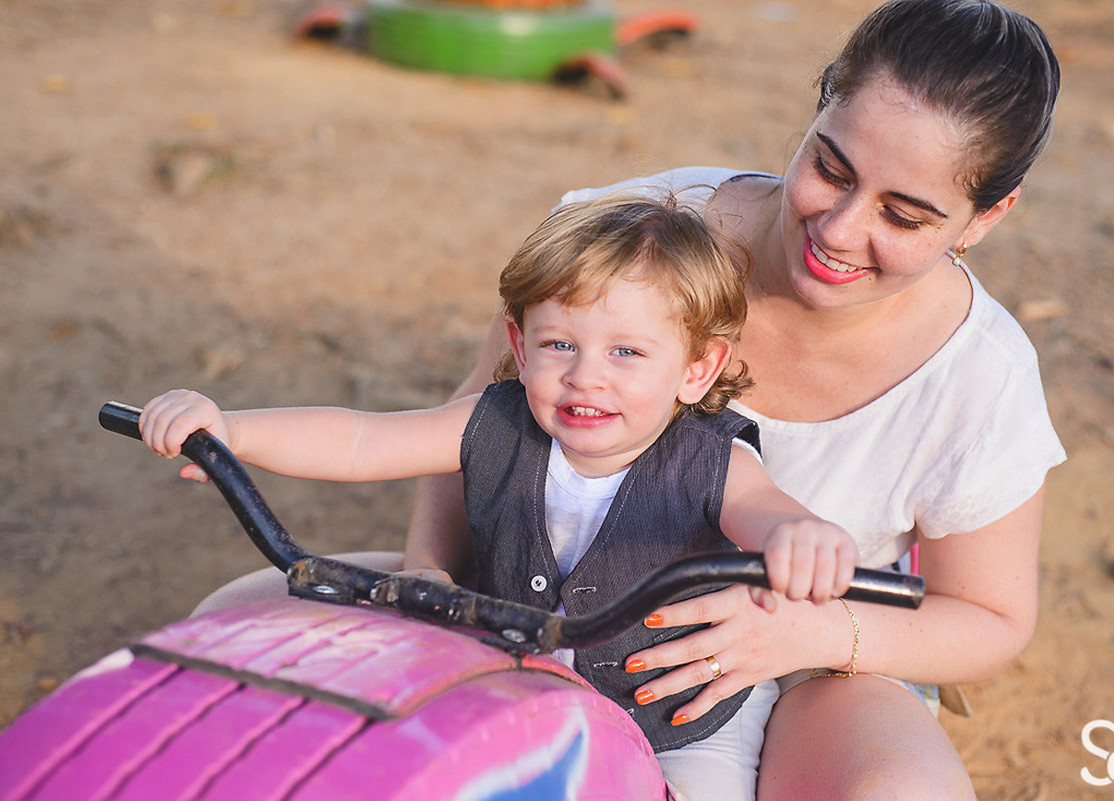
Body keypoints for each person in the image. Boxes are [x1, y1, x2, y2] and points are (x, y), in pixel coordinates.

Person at [404, 0, 1066, 796]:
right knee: (251, 633)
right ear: (820, 103)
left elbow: (989, 618)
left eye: (903, 214)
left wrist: (809, 631)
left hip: (823, 658)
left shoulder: (981, 377)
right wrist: (429, 573)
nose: (840, 229)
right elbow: (475, 423)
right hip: (540, 602)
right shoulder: (626, 242)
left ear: (986, 217)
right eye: (831, 168)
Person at [139, 194, 861, 801]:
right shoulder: (497, 420)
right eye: (559, 345)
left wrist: (801, 536)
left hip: (672, 713)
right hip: (508, 671)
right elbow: (361, 439)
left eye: (627, 352)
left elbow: (771, 513)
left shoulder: (711, 460)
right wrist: (230, 428)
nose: (586, 377)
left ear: (697, 369)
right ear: (518, 346)